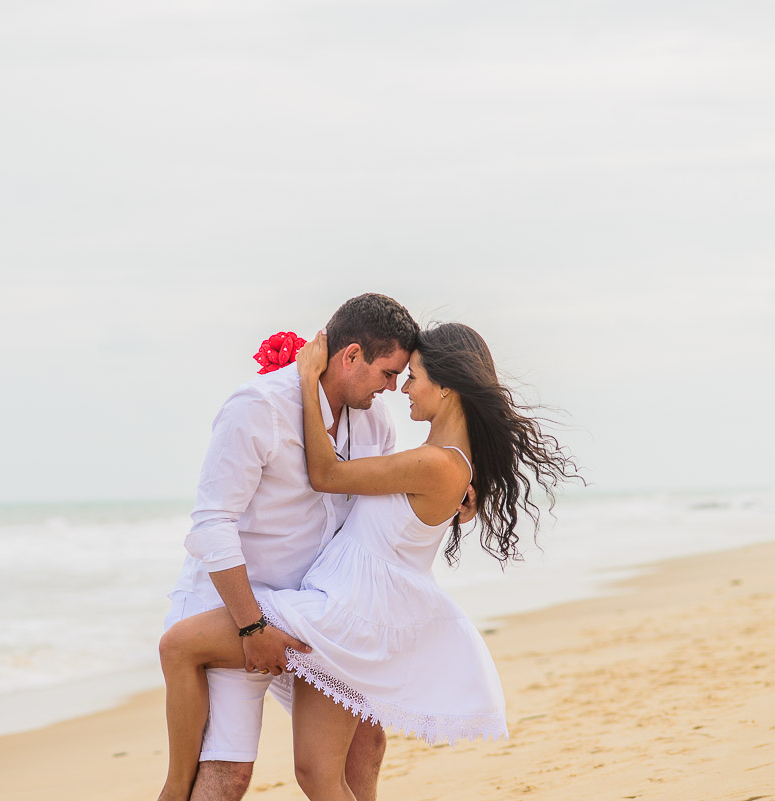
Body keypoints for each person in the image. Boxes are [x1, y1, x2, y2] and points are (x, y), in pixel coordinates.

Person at [158, 322, 579, 801]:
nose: (401, 389)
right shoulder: (438, 461)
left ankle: (173, 788)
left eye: (412, 376)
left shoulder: (438, 463)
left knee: (180, 647)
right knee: (322, 770)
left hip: (342, 613)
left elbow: (327, 474)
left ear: (446, 389)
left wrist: (305, 379)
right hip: (339, 606)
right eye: (396, 374)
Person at [162, 293, 427, 801]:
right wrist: (251, 624)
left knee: (364, 740)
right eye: (388, 373)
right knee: (227, 777)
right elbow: (212, 524)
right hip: (234, 608)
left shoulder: (374, 421)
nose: (393, 388)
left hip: (311, 613)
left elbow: (374, 513)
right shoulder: (257, 407)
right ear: (351, 356)